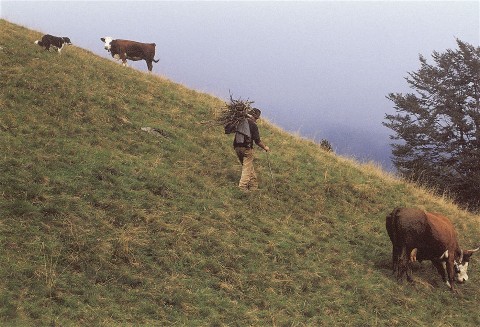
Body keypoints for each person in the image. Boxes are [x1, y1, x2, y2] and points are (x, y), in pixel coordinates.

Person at [233, 108, 270, 191]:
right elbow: (257, 141)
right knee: (247, 168)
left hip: (237, 147)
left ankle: (253, 186)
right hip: (247, 148)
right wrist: (265, 147)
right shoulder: (253, 125)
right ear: (253, 116)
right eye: (256, 118)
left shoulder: (240, 121)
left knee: (248, 166)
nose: (256, 119)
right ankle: (242, 188)